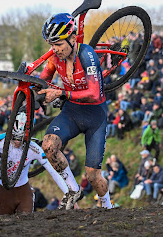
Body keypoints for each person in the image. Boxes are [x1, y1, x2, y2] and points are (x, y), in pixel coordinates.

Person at [38, 13, 111, 209]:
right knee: (49, 146)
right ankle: (72, 189)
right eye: (51, 44)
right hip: (72, 112)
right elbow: (42, 79)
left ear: (72, 38)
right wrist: (31, 88)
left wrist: (61, 93)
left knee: (92, 175)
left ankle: (107, 206)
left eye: (59, 44)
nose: (55, 49)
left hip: (95, 115)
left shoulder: (86, 54)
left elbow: (94, 93)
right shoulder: (55, 58)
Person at [0, 119, 69, 214]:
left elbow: (53, 171)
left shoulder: (33, 148)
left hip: (24, 192)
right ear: (9, 133)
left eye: (21, 139)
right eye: (14, 138)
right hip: (5, 193)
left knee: (25, 224)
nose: (18, 142)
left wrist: (69, 194)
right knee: (3, 224)